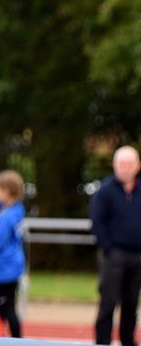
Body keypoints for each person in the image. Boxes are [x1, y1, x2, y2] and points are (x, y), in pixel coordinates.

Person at [91, 146, 141, 346]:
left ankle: (128, 341)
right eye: (121, 163)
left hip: (137, 256)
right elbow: (97, 222)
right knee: (108, 302)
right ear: (114, 165)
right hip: (113, 255)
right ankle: (102, 342)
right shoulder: (104, 191)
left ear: (137, 166)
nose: (125, 168)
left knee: (131, 304)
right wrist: (108, 247)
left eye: (129, 163)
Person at [0, 169, 26, 338]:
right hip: (13, 265)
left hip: (5, 268)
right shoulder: (17, 208)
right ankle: (14, 338)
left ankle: (14, 339)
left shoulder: (6, 217)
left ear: (7, 191)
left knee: (5, 308)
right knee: (10, 305)